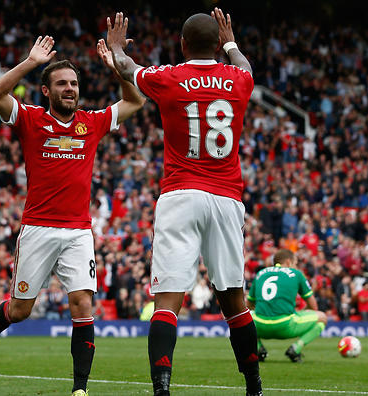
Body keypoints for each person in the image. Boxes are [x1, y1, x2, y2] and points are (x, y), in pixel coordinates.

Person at [0, 36, 144, 396]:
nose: (70, 89)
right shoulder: (31, 119)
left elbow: (135, 100)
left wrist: (118, 68)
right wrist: (31, 62)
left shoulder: (91, 123)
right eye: (62, 83)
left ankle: (80, 389)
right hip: (37, 229)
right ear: (46, 91)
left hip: (79, 232)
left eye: (74, 84)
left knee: (82, 303)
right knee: (20, 311)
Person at [107, 9, 261, 396]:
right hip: (227, 198)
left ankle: (161, 389)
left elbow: (128, 69)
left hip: (181, 194)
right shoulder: (238, 79)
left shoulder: (170, 77)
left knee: (168, 300)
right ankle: (255, 387)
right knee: (234, 302)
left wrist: (113, 48)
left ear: (182, 45)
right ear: (217, 47)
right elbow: (245, 65)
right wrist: (231, 42)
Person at [247, 249, 327, 363]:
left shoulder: (260, 273)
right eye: (295, 263)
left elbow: (249, 305)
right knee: (322, 317)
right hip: (285, 325)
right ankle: (295, 349)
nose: (295, 266)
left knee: (239, 318)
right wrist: (300, 312)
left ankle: (258, 348)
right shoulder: (296, 274)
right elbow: (313, 306)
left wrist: (265, 312)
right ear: (289, 262)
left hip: (260, 325)